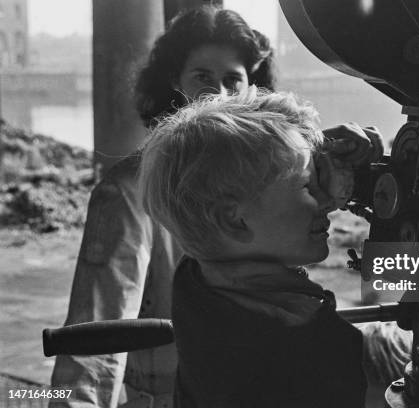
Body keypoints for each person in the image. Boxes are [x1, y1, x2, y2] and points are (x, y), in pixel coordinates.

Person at [50, 7, 276, 408]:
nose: (217, 96)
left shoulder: (270, 180)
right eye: (202, 77)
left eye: (232, 80)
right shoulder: (130, 189)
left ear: (250, 87)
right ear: (175, 80)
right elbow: (99, 334)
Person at [138, 89, 368, 408]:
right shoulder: (318, 345)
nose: (328, 203)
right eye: (307, 185)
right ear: (233, 220)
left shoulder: (195, 277)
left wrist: (305, 151)